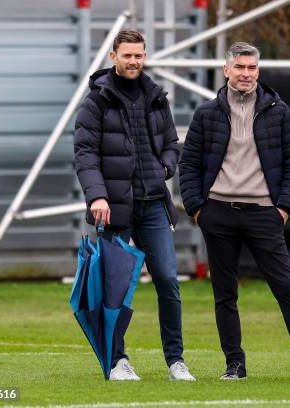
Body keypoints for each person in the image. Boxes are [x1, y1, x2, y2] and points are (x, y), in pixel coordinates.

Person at [179, 42, 290, 381]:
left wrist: (284, 208)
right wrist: (197, 208)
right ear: (226, 70)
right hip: (217, 212)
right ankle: (234, 364)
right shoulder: (207, 113)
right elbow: (188, 163)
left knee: (286, 290)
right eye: (240, 67)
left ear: (258, 71)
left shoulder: (279, 111)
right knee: (225, 295)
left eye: (251, 68)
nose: (246, 73)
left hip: (265, 213)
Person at [73, 30, 194, 382]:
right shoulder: (96, 101)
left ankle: (176, 361)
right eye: (127, 55)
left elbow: (172, 144)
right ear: (113, 56)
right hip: (114, 209)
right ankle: (117, 361)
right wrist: (97, 195)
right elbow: (84, 154)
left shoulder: (157, 97)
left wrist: (165, 169)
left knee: (169, 280)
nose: (133, 61)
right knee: (116, 289)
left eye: (139, 55)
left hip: (154, 204)